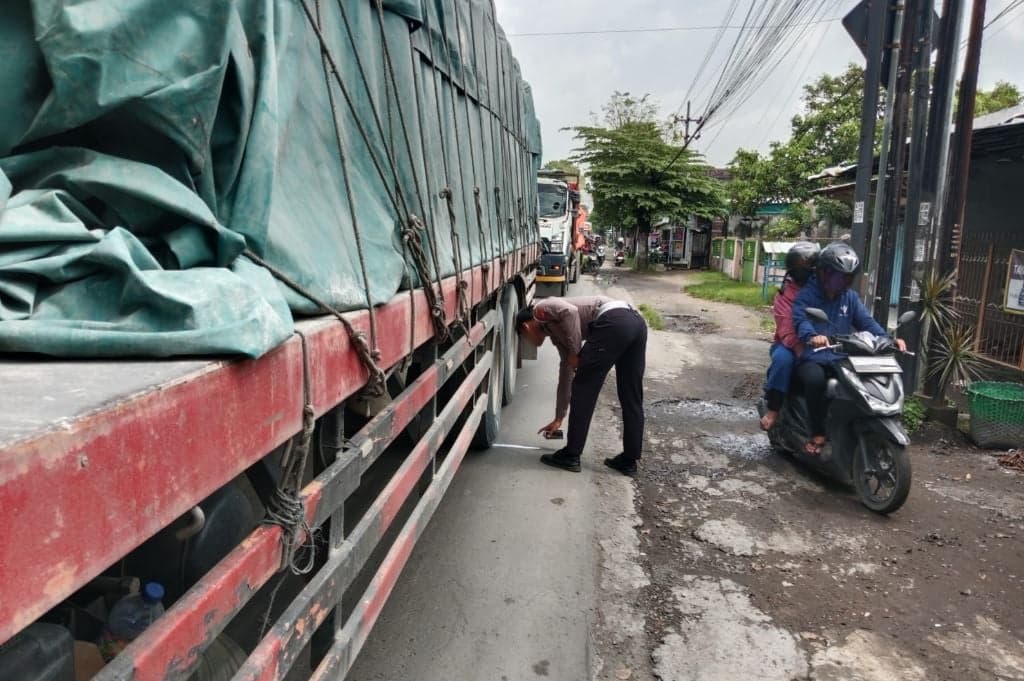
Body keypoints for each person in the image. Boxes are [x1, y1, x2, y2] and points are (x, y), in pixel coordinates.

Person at [791, 242, 906, 455]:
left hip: (842, 358)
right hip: (815, 357)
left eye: (849, 277)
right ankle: (817, 432)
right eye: (841, 276)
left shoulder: (849, 298)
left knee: (860, 385)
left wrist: (889, 338)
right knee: (817, 381)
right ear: (825, 273)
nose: (846, 282)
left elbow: (867, 323)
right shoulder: (808, 295)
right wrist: (812, 336)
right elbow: (801, 320)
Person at [516, 295, 647, 475]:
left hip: (614, 322)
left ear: (526, 327)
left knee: (583, 390)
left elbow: (571, 312)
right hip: (635, 323)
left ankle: (571, 455)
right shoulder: (556, 333)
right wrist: (559, 417)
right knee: (631, 394)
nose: (528, 342)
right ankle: (629, 460)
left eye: (524, 337)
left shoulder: (541, 308)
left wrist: (576, 352)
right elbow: (566, 371)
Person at [760, 241, 820, 431]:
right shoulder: (784, 295)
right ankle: (773, 410)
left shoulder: (825, 292)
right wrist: (803, 349)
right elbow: (786, 329)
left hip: (823, 345)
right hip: (789, 345)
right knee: (783, 361)